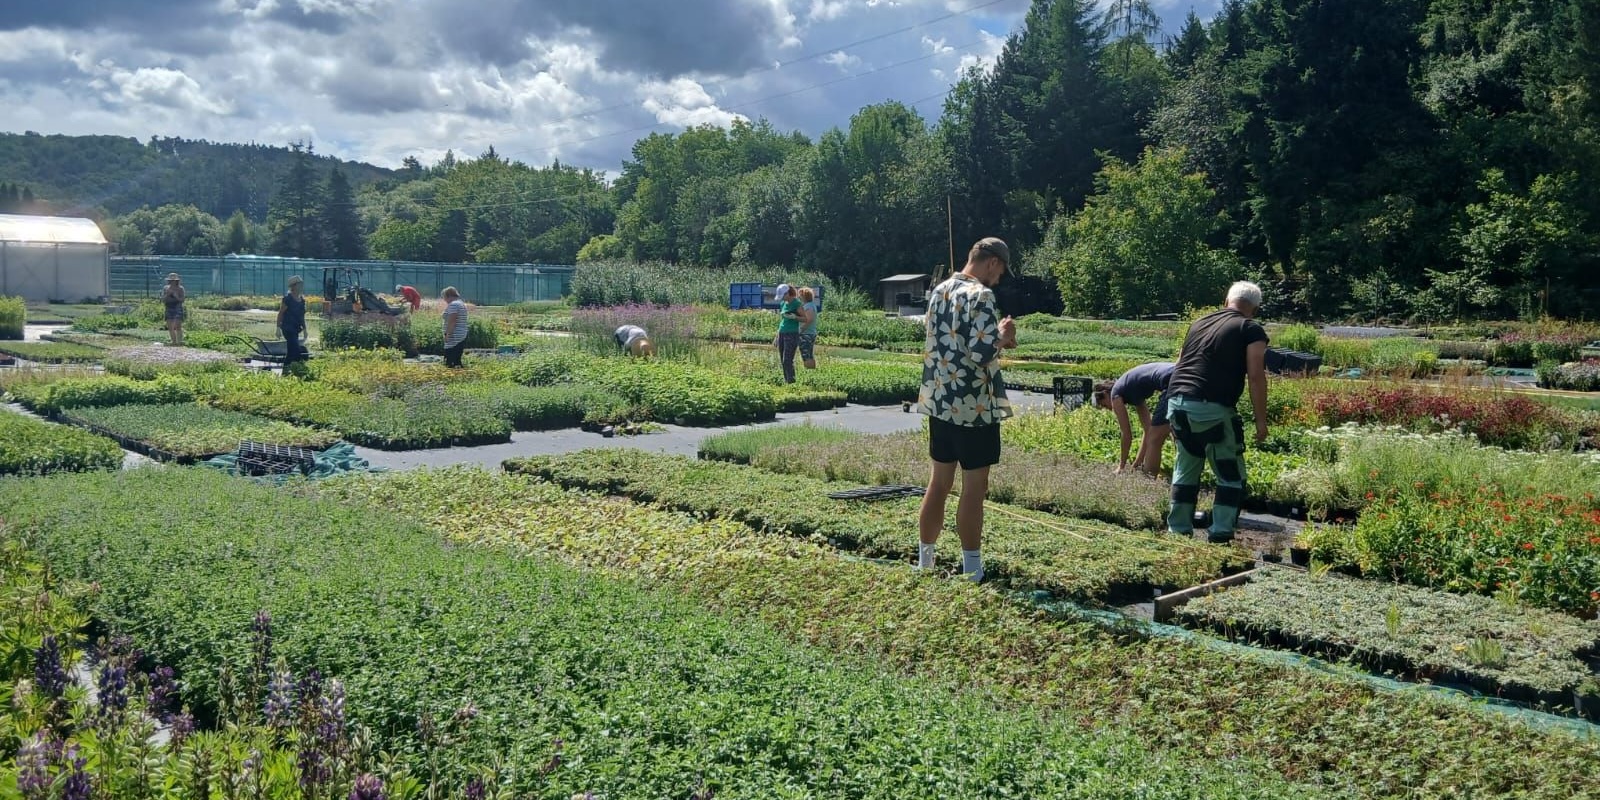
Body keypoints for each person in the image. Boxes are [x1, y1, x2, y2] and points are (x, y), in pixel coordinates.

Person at [914, 237, 1017, 582]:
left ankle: (925, 561)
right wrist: (1003, 335)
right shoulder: (982, 297)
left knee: (938, 482)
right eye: (1001, 271)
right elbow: (980, 353)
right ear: (991, 263)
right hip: (974, 407)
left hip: (940, 401)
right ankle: (972, 568)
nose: (999, 279)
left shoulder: (939, 289)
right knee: (974, 489)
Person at [1165, 281, 1270, 544]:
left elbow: (1178, 365)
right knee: (1230, 472)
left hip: (1177, 404)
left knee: (1186, 469)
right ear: (1254, 309)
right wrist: (1261, 422)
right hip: (1212, 409)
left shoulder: (1198, 323)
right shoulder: (1250, 328)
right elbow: (1256, 376)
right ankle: (1220, 534)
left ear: (1226, 301)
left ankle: (1178, 532)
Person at [1094, 361, 1175, 475]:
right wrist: (1138, 461)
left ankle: (1148, 480)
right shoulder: (1131, 388)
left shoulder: (1115, 394)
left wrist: (1121, 466)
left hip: (1172, 379)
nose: (1108, 409)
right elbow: (1147, 429)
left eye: (1103, 404)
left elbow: (1126, 434)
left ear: (1106, 393)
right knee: (1177, 433)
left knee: (1155, 438)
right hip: (1180, 372)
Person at [277, 276, 309, 366]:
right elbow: (281, 313)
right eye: (299, 284)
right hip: (287, 328)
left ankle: (286, 369)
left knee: (291, 351)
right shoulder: (288, 299)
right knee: (295, 350)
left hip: (295, 329)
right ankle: (297, 368)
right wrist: (278, 328)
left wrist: (305, 329)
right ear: (293, 286)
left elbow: (301, 317)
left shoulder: (302, 300)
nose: (301, 286)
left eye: (301, 284)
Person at [774, 283, 801, 383]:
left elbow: (805, 318)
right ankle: (787, 381)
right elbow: (782, 321)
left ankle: (791, 382)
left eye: (783, 296)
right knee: (782, 360)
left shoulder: (796, 303)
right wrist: (777, 335)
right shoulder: (783, 304)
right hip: (782, 332)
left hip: (792, 333)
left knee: (787, 360)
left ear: (788, 293)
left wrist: (795, 317)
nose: (782, 299)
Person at [441, 287, 469, 368]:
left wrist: (448, 335)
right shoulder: (460, 303)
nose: (444, 300)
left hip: (454, 336)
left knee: (449, 361)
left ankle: (450, 377)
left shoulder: (454, 305)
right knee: (457, 360)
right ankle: (459, 376)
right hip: (460, 335)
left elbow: (452, 321)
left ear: (448, 296)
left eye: (444, 297)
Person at [797, 287, 820, 369]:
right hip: (809, 333)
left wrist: (800, 330)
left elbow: (809, 319)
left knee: (806, 355)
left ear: (804, 296)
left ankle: (809, 372)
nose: (799, 297)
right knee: (809, 354)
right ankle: (811, 371)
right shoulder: (810, 305)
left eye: (800, 295)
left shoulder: (808, 306)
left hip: (806, 334)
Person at [161, 273, 186, 345]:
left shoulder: (181, 288)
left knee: (178, 325)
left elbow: (182, 300)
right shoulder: (166, 288)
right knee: (170, 326)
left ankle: (180, 341)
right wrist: (168, 294)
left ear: (177, 281)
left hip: (177, 308)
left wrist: (176, 296)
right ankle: (173, 341)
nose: (172, 282)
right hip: (168, 307)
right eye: (171, 280)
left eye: (174, 280)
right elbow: (163, 299)